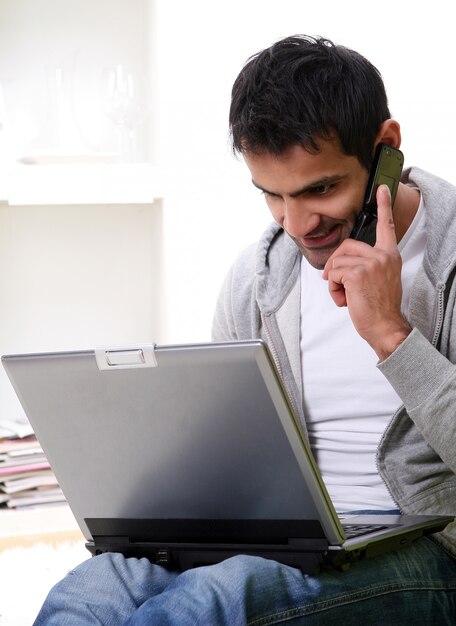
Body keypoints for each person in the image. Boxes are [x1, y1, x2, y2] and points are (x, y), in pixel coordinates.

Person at [34, 35, 456, 625]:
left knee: (209, 604)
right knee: (89, 594)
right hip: (292, 538)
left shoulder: (450, 255)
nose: (298, 224)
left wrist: (391, 334)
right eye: (273, 196)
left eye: (321, 189)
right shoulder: (260, 278)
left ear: (385, 146)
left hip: (428, 552)